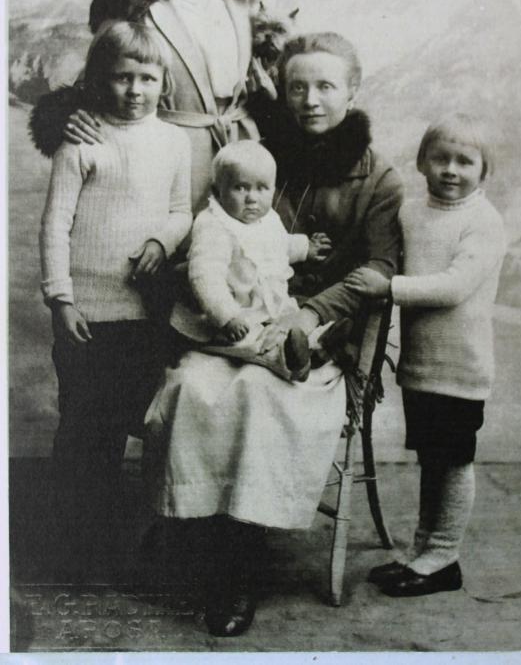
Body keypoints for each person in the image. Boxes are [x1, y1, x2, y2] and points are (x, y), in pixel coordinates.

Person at [143, 32, 404, 636]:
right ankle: (196, 527)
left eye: (325, 86)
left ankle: (238, 565)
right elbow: (212, 229)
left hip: (319, 332)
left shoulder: (378, 178)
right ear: (282, 92)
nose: (310, 99)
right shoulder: (252, 157)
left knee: (261, 398)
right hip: (236, 322)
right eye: (297, 87)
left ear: (352, 91)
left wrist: (310, 315)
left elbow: (381, 270)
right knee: (192, 386)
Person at [39, 21, 192, 582]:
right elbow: (55, 226)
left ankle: (136, 540)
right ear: (99, 81)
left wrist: (162, 242)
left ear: (162, 81)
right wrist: (62, 301)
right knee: (86, 430)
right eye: (121, 77)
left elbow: (182, 211)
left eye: (146, 78)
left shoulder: (174, 142)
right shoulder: (80, 141)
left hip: (145, 313)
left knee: (143, 421)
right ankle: (76, 548)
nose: (134, 90)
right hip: (87, 315)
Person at [29, 0, 266, 215]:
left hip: (241, 157)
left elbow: (265, 80)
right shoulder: (131, 5)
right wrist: (66, 114)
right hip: (163, 158)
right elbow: (94, 81)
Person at [345, 112, 506, 597]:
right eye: (441, 158)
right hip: (421, 366)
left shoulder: (483, 221)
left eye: (465, 161)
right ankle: (423, 551)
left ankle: (444, 556)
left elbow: (454, 287)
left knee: (453, 460)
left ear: (484, 170)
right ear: (422, 162)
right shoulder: (413, 212)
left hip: (461, 366)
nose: (451, 170)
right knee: (431, 461)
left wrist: (388, 287)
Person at [170, 139, 340, 382]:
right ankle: (288, 362)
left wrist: (305, 248)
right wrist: (226, 316)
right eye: (240, 188)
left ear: (273, 189)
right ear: (218, 190)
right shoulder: (213, 226)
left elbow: (277, 246)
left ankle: (318, 344)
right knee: (253, 342)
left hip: (264, 308)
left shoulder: (267, 218)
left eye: (262, 188)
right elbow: (204, 277)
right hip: (227, 316)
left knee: (287, 322)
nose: (252, 198)